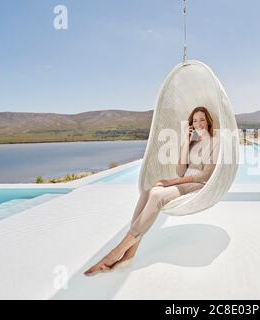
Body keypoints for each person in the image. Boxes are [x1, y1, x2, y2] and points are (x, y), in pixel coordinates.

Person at [84, 106, 219, 276]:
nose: (198, 123)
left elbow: (205, 174)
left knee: (157, 194)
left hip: (200, 185)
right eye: (195, 120)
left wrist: (172, 182)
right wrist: (186, 141)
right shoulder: (192, 143)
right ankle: (129, 255)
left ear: (208, 121)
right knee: (148, 191)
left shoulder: (215, 142)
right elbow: (180, 170)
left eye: (202, 119)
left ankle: (116, 253)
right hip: (185, 181)